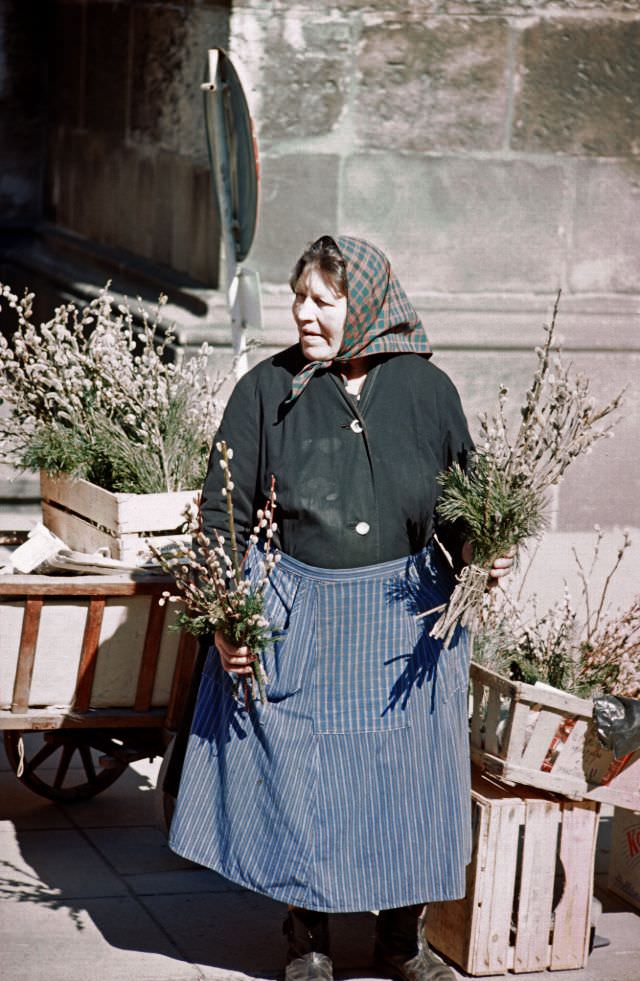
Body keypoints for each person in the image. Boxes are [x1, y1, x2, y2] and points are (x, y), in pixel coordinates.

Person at [168, 235, 513, 981]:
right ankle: (310, 939)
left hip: (408, 622)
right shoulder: (266, 390)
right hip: (303, 617)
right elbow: (221, 511)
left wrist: (486, 546)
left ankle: (401, 943)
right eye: (299, 297)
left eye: (323, 301)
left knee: (406, 781)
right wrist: (229, 616)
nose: (303, 313)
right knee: (305, 776)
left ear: (367, 307)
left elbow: (464, 502)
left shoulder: (428, 392)